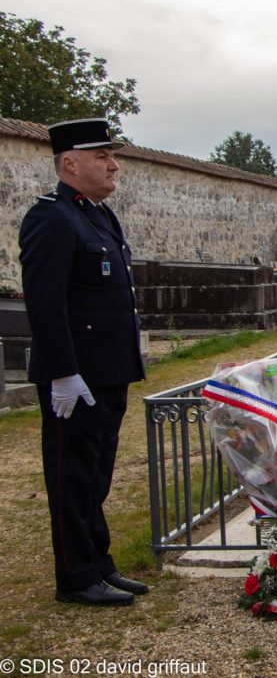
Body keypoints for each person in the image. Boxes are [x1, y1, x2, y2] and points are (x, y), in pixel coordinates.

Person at [19, 118, 148, 606]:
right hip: (76, 376)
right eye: (102, 157)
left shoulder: (96, 215)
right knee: (71, 475)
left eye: (111, 156)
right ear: (70, 163)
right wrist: (62, 373)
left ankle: (98, 563)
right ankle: (74, 577)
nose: (113, 165)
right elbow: (46, 305)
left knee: (96, 475)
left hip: (110, 371)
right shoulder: (52, 218)